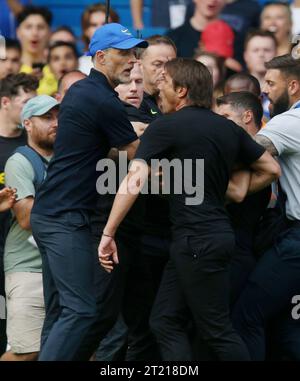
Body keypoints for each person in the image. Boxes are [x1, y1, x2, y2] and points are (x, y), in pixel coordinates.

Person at [99, 58, 280, 361]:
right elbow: (271, 169)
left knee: (217, 330)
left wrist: (108, 232)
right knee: (164, 320)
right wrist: (225, 194)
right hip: (205, 237)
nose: (159, 92)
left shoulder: (165, 127)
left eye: (164, 85)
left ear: (181, 90)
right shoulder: (227, 128)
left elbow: (134, 179)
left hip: (196, 240)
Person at [30, 23, 147, 361]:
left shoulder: (81, 91)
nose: (132, 60)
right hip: (65, 219)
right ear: (100, 57)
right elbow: (135, 157)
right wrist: (153, 134)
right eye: (123, 54)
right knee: (81, 311)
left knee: (61, 312)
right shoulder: (102, 99)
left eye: (134, 53)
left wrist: (126, 135)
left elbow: (95, 149)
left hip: (52, 214)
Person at [232, 55, 300, 361]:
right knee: (286, 324)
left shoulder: (290, 122)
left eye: (271, 84)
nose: (266, 92)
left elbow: (243, 153)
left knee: (246, 316)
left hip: (296, 241)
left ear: (294, 86)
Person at [1, 95, 59, 362]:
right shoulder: (20, 161)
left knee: (79, 346)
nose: (55, 123)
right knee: (26, 353)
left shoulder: (67, 158)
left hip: (62, 266)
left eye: (58, 117)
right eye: (47, 118)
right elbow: (26, 218)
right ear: (28, 123)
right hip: (28, 266)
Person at [216, 91, 271, 304]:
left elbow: (237, 194)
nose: (219, 124)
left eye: (225, 117)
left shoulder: (252, 155)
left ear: (247, 116)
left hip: (236, 254)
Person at [0, 72, 38, 356]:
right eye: (26, 102)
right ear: (5, 102)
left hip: (22, 253)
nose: (32, 110)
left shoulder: (33, 148)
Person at [16, 5, 56, 96]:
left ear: (50, 33)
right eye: (28, 27)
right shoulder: (9, 68)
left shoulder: (59, 68)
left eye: (41, 27)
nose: (35, 33)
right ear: (18, 32)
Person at [138, 35, 177, 122]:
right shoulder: (134, 101)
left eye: (171, 65)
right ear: (139, 65)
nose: (164, 71)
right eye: (158, 64)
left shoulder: (181, 101)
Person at [79, 3, 120, 75]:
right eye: (94, 25)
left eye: (104, 24)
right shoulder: (78, 65)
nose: (99, 29)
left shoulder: (127, 61)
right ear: (86, 30)